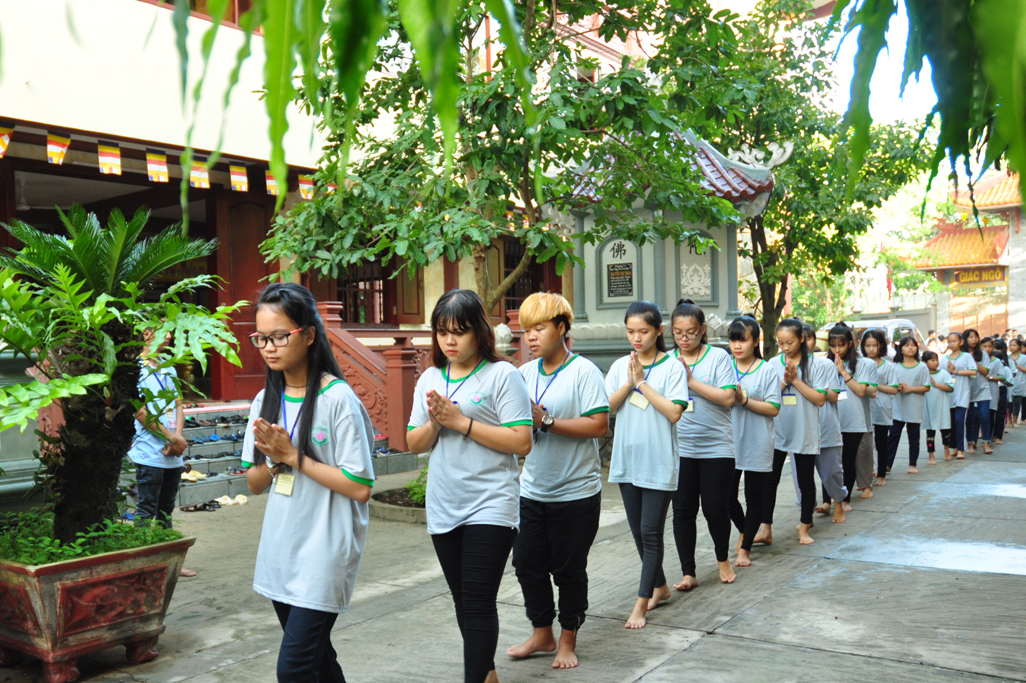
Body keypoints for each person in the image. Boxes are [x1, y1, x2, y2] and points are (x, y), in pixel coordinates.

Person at [242, 283, 376, 683]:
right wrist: (274, 459)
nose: (269, 347)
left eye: (280, 336)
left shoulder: (338, 400)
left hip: (325, 550)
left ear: (309, 334)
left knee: (294, 669)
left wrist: (292, 456)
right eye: (261, 338)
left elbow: (360, 486)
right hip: (282, 549)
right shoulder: (264, 400)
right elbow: (253, 483)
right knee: (319, 661)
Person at [407, 289, 533, 683]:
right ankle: (487, 674)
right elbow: (413, 443)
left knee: (478, 601)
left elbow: (522, 441)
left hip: (491, 503)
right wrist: (436, 422)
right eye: (442, 332)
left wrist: (461, 422)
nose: (450, 341)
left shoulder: (503, 375)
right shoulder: (431, 378)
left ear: (479, 331)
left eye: (459, 332)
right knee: (463, 601)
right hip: (444, 503)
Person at [506, 293, 609, 670]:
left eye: (539, 328)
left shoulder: (584, 372)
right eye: (526, 330)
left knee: (568, 570)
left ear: (562, 327)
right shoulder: (523, 374)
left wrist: (546, 422)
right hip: (533, 489)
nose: (531, 337)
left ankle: (567, 640)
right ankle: (542, 633)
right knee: (526, 563)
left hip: (576, 492)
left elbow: (599, 425)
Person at [605, 301, 688, 629]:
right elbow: (606, 408)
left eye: (643, 331)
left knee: (651, 533)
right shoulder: (619, 366)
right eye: (631, 331)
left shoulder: (672, 367)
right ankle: (660, 586)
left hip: (658, 461)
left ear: (658, 330)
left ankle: (641, 604)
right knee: (639, 533)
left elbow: (674, 412)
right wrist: (629, 382)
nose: (636, 338)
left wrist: (642, 384)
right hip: (627, 460)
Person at [669, 299, 738, 590]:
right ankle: (689, 572)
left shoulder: (718, 357)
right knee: (683, 511)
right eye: (678, 333)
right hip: (680, 449)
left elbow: (728, 397)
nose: (684, 339)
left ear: (703, 330)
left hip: (716, 447)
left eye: (691, 332)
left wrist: (690, 381)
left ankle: (723, 560)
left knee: (715, 509)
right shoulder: (667, 360)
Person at [755, 318, 827, 547]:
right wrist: (786, 381)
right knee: (769, 480)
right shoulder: (772, 364)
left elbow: (820, 399)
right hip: (776, 430)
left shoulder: (817, 364)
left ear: (802, 339)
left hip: (804, 428)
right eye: (781, 343)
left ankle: (805, 527)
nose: (785, 347)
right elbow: (767, 395)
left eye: (790, 342)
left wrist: (796, 380)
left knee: (805, 481)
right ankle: (765, 529)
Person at [129, 327, 194, 577]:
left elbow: (178, 405)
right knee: (146, 511)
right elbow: (140, 412)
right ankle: (141, 565)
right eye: (163, 331)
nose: (169, 337)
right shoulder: (135, 368)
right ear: (146, 333)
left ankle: (170, 564)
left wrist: (178, 438)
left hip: (173, 452)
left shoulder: (168, 366)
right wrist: (170, 437)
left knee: (166, 511)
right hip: (149, 452)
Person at [726, 316, 780, 567]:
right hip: (727, 442)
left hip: (757, 440)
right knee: (726, 496)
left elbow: (774, 408)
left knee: (754, 497)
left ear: (756, 341)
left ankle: (745, 549)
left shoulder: (766, 370)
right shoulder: (725, 366)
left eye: (743, 340)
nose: (737, 346)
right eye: (733, 340)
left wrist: (744, 401)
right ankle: (745, 530)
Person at [825, 323, 878, 518]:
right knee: (830, 463)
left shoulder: (862, 364)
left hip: (854, 420)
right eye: (833, 346)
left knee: (848, 460)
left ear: (850, 344)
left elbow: (861, 391)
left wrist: (843, 372)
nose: (837, 350)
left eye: (841, 345)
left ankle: (845, 499)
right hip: (831, 419)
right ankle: (828, 500)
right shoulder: (825, 364)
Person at [803, 325, 849, 523]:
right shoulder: (784, 366)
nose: (804, 343)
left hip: (826, 425)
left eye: (808, 338)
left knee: (831, 471)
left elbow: (833, 396)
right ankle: (806, 515)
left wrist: (810, 387)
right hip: (801, 429)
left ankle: (838, 502)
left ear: (815, 341)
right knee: (802, 478)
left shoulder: (825, 365)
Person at [886, 336, 931, 474]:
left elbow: (926, 387)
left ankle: (912, 464)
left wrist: (911, 389)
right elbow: (890, 384)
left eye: (913, 345)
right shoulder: (894, 367)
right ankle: (887, 464)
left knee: (914, 437)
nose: (910, 348)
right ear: (901, 349)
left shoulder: (922, 367)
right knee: (893, 436)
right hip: (897, 408)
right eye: (906, 345)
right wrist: (898, 387)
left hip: (914, 407)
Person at [863, 330, 898, 485]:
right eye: (868, 345)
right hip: (864, 409)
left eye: (874, 345)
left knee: (881, 443)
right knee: (865, 445)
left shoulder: (887, 366)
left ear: (881, 346)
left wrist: (875, 386)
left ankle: (881, 474)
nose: (871, 349)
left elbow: (894, 389)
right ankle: (866, 474)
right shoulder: (859, 364)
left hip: (882, 409)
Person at [963, 329, 993, 455]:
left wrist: (973, 361)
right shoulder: (961, 354)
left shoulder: (983, 354)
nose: (974, 339)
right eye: (971, 337)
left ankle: (986, 443)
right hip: (966, 390)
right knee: (969, 418)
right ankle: (970, 443)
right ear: (965, 339)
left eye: (976, 337)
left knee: (984, 416)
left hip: (982, 389)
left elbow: (986, 372)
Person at [922, 351, 955, 463]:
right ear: (925, 362)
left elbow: (951, 388)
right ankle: (931, 455)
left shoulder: (943, 373)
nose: (936, 362)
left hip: (942, 406)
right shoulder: (923, 374)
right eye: (932, 360)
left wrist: (936, 385)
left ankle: (947, 449)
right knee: (930, 432)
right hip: (928, 407)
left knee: (945, 430)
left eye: (936, 360)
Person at [986, 338, 1012, 445]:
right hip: (990, 389)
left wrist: (993, 378)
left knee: (1000, 413)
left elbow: (1007, 380)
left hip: (1001, 389)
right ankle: (990, 436)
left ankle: (998, 436)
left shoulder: (1004, 367)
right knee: (989, 413)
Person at [1009, 337, 1026, 427]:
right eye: (1010, 345)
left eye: (1014, 345)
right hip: (1009, 383)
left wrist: (1018, 366)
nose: (1012, 347)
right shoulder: (1007, 357)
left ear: (1019, 346)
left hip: (1020, 383)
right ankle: (1009, 420)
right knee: (1009, 403)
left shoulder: (1023, 358)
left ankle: (1015, 420)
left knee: (1017, 402)